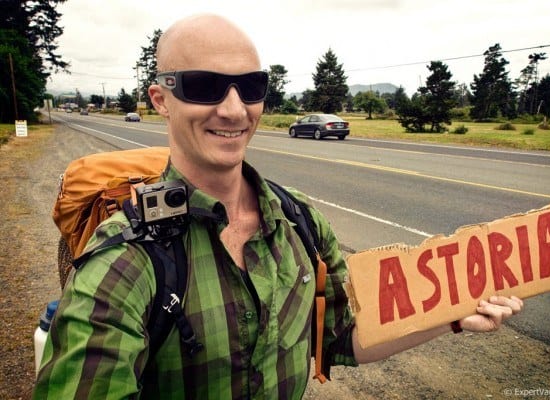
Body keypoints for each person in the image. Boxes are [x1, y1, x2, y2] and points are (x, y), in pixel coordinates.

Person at [33, 14, 523, 399]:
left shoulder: (300, 223)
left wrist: (451, 316)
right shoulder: (125, 261)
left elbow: (342, 336)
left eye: (250, 87)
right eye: (205, 86)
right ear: (161, 100)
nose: (233, 109)